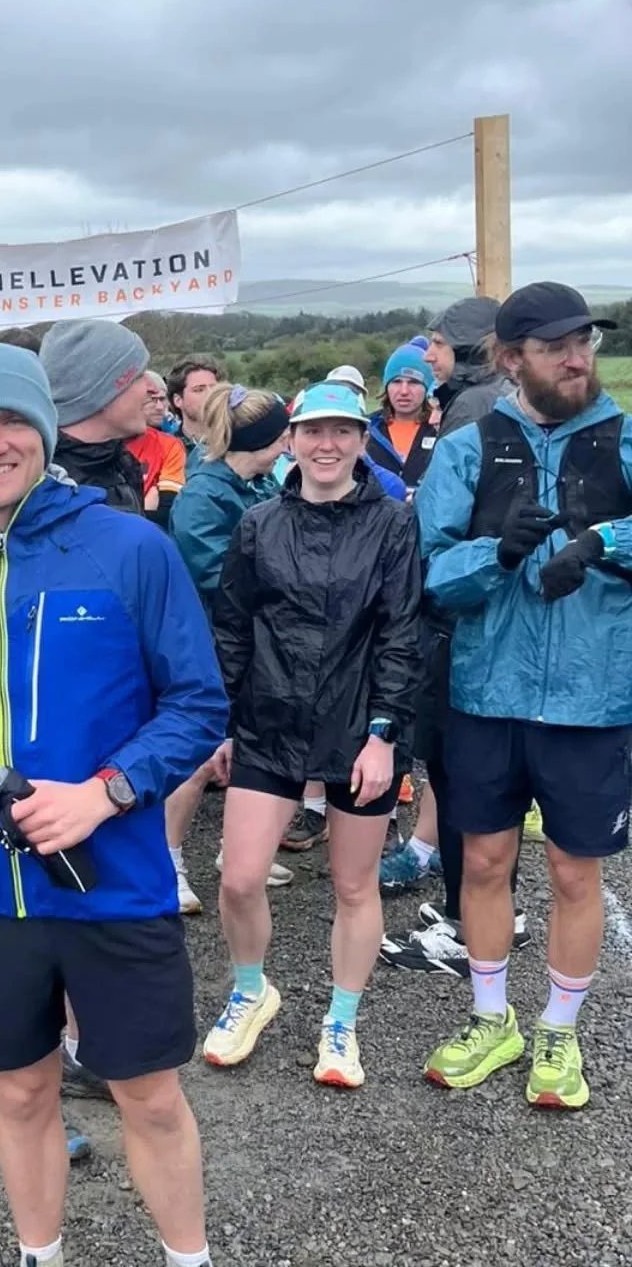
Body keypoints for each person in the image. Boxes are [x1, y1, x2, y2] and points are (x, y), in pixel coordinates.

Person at [0, 342, 225, 1267]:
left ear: (45, 430)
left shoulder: (131, 546)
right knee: (22, 1093)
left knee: (149, 1095)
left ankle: (188, 1258)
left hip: (113, 879)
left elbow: (198, 703)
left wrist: (107, 792)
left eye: (12, 421)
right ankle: (41, 1255)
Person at [417, 283, 630, 1110]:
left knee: (577, 874)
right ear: (511, 359)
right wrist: (495, 556)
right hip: (486, 695)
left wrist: (604, 539)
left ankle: (560, 1033)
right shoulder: (469, 450)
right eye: (555, 347)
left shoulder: (623, 438)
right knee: (485, 862)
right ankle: (490, 1018)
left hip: (593, 699)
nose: (579, 358)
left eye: (585, 342)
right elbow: (431, 575)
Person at [204, 381, 420, 1088]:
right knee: (238, 879)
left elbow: (400, 632)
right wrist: (224, 722)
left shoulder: (391, 524)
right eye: (314, 431)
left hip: (358, 727)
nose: (328, 445)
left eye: (344, 432)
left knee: (354, 886)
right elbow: (232, 628)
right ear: (290, 440)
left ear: (363, 441)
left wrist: (384, 734)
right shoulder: (259, 524)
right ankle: (249, 990)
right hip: (269, 721)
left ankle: (341, 1020)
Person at [379, 294, 526, 964]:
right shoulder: (476, 398)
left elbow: (448, 522)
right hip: (478, 602)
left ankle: (476, 927)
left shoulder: (473, 406)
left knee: (464, 769)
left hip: (460, 612)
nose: (427, 354)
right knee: (466, 769)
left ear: (467, 343)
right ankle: (481, 910)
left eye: (437, 343)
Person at [166, 385, 290, 914]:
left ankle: (234, 850)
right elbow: (217, 577)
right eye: (282, 435)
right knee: (197, 758)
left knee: (251, 749)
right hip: (213, 645)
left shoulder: (256, 485)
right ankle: (165, 862)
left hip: (256, 642)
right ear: (259, 439)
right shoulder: (203, 497)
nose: (289, 444)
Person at [41, 319, 153, 515]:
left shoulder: (121, 463)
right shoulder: (47, 489)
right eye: (139, 376)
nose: (151, 387)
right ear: (100, 393)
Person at [422, 296, 513, 438]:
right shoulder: (506, 389)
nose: (428, 357)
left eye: (439, 344)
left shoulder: (471, 404)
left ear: (466, 349)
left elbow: (450, 459)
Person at [366, 346, 439, 491]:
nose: (404, 391)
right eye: (397, 382)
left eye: (413, 382)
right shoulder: (367, 428)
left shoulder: (441, 428)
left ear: (427, 388)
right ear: (386, 387)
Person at [128, 372, 188, 526]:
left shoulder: (169, 445)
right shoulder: (103, 441)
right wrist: (145, 505)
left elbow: (166, 512)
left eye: (162, 399)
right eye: (152, 400)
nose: (160, 407)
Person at [166, 356, 226, 465]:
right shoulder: (167, 449)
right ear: (178, 400)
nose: (210, 394)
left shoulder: (236, 442)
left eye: (214, 388)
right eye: (199, 390)